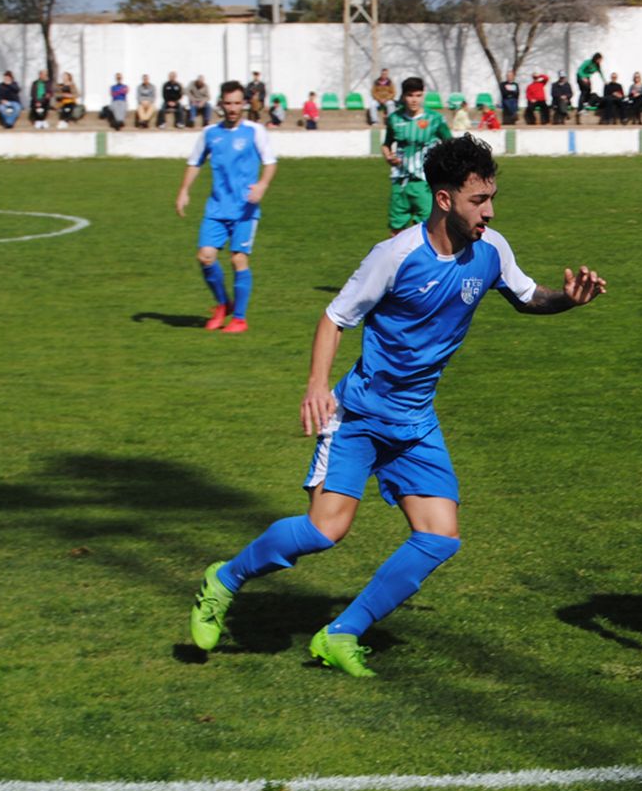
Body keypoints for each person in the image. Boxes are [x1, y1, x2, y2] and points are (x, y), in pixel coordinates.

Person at [186, 135, 607, 677]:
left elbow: (529, 297)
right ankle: (225, 579)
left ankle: (340, 634)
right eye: (479, 200)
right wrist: (317, 387)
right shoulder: (396, 255)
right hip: (359, 415)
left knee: (438, 536)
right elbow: (335, 318)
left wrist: (566, 302)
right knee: (323, 531)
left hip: (416, 421)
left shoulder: (492, 250)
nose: (491, 210)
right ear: (444, 199)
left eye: (493, 197)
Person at [174, 81, 278, 334]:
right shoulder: (210, 133)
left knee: (238, 259)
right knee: (205, 256)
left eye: (237, 103)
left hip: (245, 210)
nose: (233, 109)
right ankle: (223, 304)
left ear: (244, 103)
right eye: (228, 103)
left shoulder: (255, 131)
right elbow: (195, 162)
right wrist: (184, 190)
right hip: (217, 208)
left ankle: (239, 319)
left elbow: (270, 162)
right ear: (221, 104)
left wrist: (263, 185)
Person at [383, 76, 453, 233]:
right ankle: (399, 258)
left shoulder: (435, 119)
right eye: (410, 95)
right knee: (396, 229)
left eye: (418, 95)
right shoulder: (395, 119)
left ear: (423, 95)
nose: (414, 100)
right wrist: (388, 157)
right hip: (400, 181)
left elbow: (450, 144)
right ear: (403, 96)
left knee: (428, 228)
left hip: (425, 182)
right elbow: (386, 144)